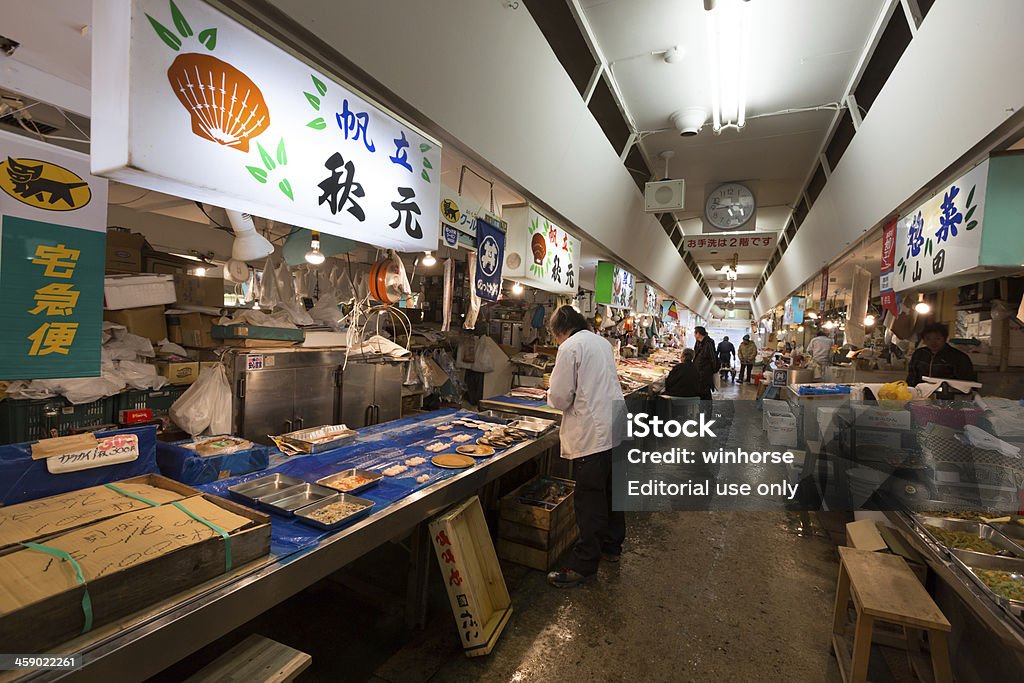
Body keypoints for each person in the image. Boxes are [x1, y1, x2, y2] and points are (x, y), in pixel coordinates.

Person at [545, 305, 626, 588]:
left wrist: (548, 393)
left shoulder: (569, 348)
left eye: (553, 334)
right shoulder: (601, 342)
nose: (555, 339)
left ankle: (584, 566)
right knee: (611, 492)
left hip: (592, 434)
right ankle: (612, 547)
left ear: (560, 329)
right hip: (614, 425)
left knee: (590, 501)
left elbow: (559, 397)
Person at [906, 322, 976, 387]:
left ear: (945, 339)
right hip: (920, 395)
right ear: (924, 340)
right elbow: (912, 376)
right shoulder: (919, 354)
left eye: (938, 338)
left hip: (949, 396)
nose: (933, 342)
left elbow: (967, 382)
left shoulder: (958, 357)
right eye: (928, 339)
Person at [692, 326, 717, 400]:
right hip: (699, 371)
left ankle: (707, 410)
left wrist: (712, 371)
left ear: (698, 334)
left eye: (695, 333)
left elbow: (713, 358)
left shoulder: (708, 343)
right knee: (700, 392)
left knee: (705, 392)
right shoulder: (698, 342)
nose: (694, 335)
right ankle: (701, 409)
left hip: (705, 373)